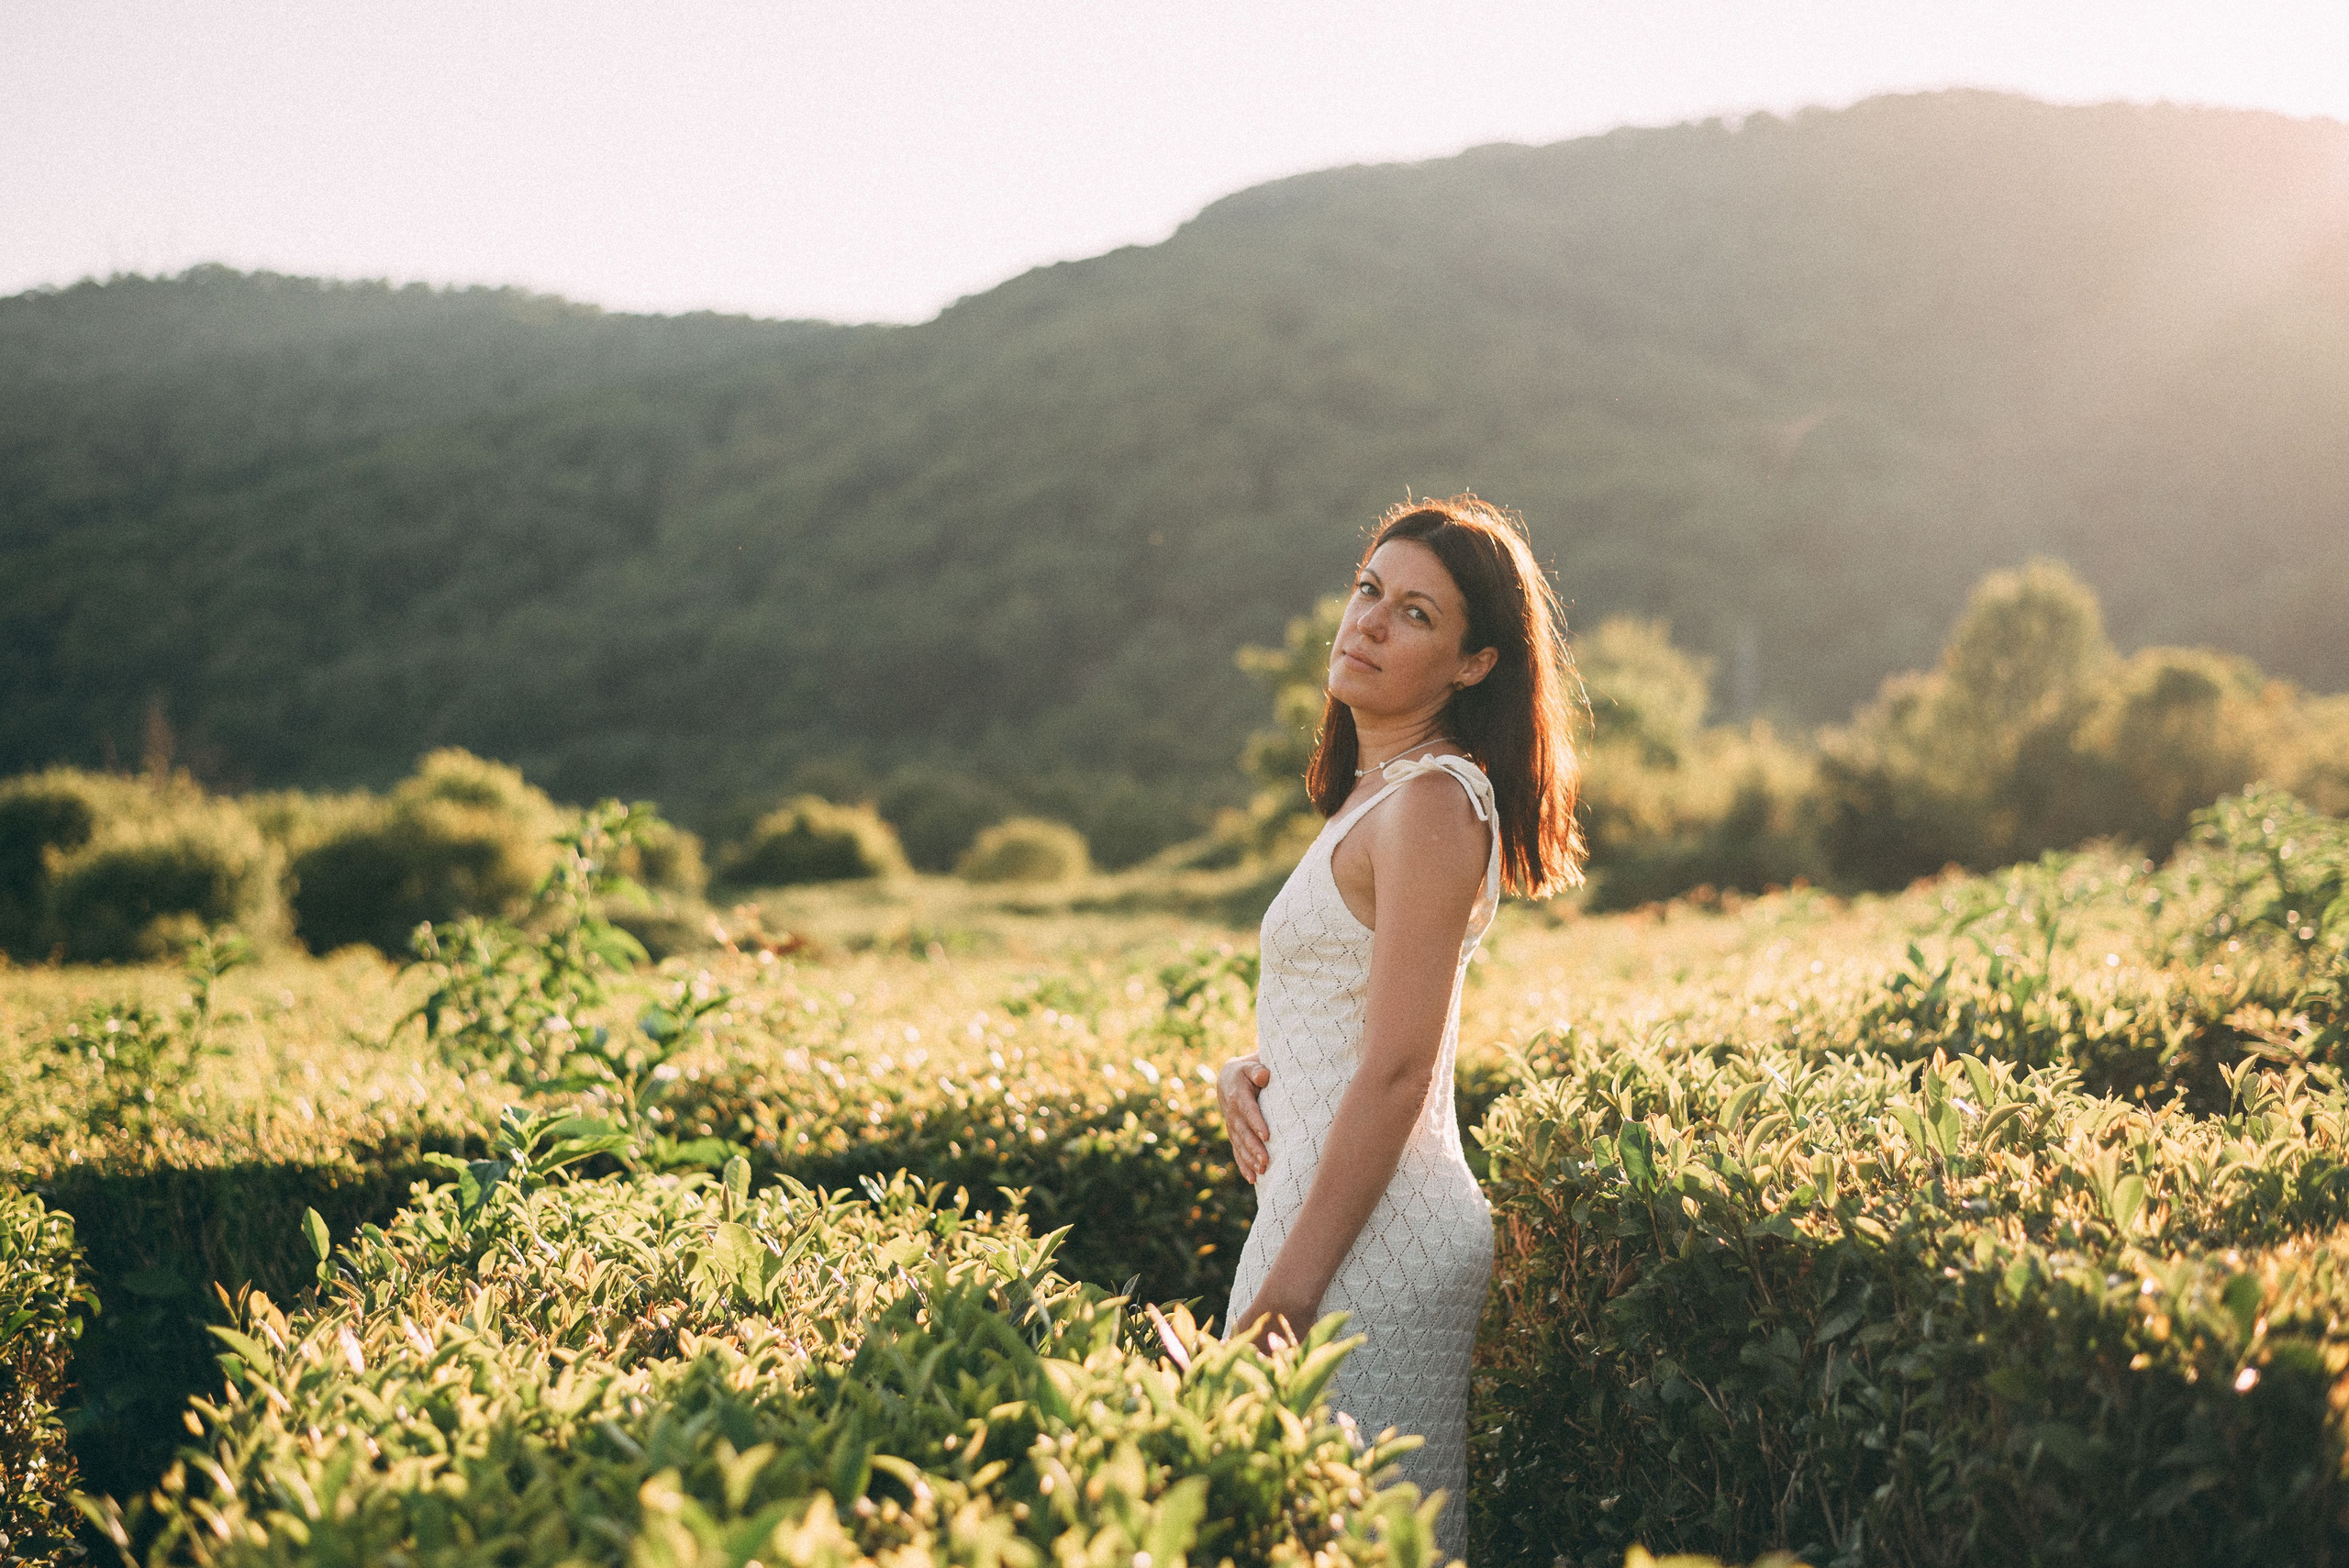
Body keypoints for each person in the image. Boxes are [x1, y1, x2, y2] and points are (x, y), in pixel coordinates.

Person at [1217, 494, 1585, 1562]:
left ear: (1475, 663)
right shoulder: (1374, 796)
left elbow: (1397, 1068)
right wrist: (1257, 1068)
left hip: (1370, 1241)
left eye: (1415, 613)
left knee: (1361, 1540)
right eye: (1367, 590)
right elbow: (1351, 1013)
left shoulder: (1432, 801)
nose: (1368, 621)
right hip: (1325, 1217)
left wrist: (1288, 1289)